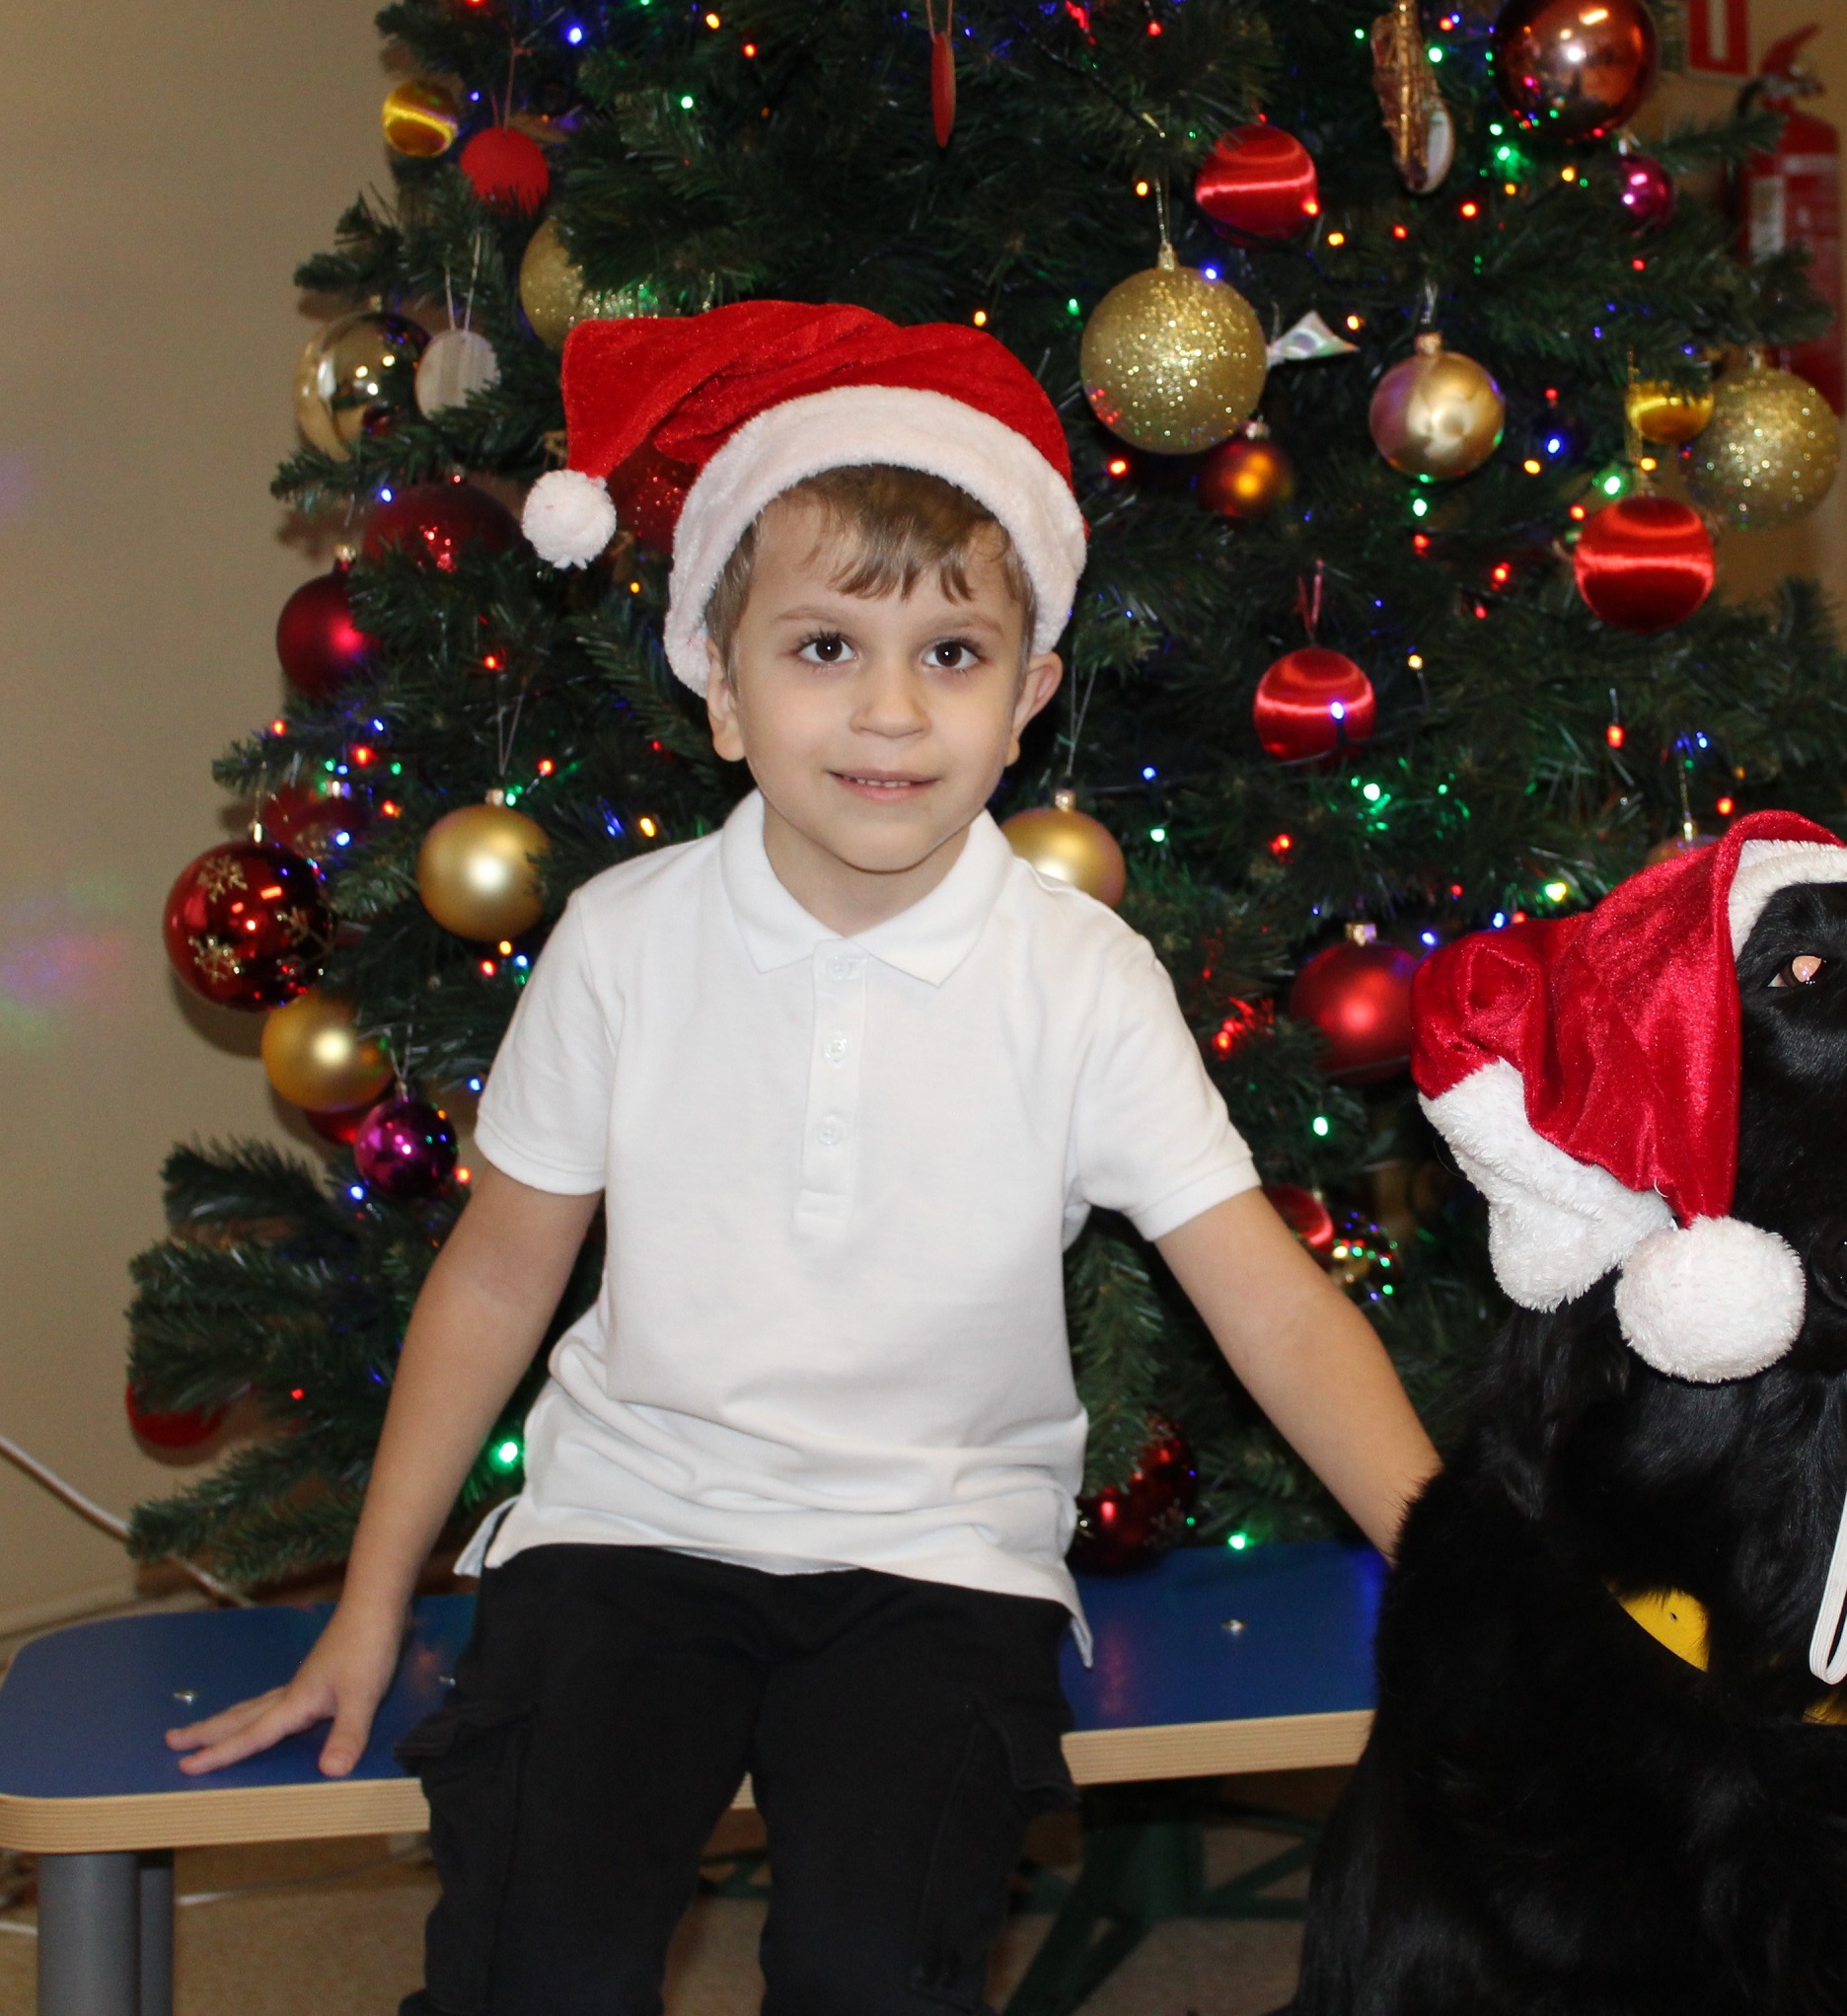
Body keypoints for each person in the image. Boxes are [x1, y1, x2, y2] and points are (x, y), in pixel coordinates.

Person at [169, 302, 1441, 2016]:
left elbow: (1272, 1306)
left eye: (953, 652)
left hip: (941, 1557)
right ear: (720, 684)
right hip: (628, 1526)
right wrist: (370, 1600)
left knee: (872, 1965)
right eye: (826, 645)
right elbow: (496, 1277)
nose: (891, 711)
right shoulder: (624, 944)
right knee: (537, 1958)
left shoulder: (1079, 978)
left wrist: (1462, 1589)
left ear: (1029, 698)